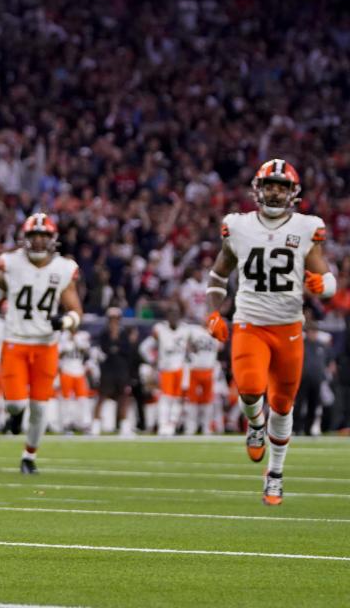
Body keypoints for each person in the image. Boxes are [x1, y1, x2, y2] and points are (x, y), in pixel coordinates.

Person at [206, 158, 336, 505]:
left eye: (281, 186)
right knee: (249, 389)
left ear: (293, 193)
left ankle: (275, 475)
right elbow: (218, 276)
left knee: (282, 404)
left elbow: (330, 281)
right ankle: (254, 425)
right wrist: (213, 312)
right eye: (269, 185)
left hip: (289, 326)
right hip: (249, 322)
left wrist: (320, 285)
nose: (275, 192)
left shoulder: (308, 227)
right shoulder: (238, 226)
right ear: (257, 189)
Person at [0, 213, 83, 474]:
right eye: (33, 236)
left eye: (43, 236)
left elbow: (77, 313)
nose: (37, 242)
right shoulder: (11, 264)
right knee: (16, 404)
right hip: (15, 341)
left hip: (46, 345)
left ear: (52, 239)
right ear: (25, 238)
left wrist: (65, 322)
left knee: (40, 407)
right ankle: (14, 414)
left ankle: (29, 456)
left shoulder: (63, 268)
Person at [138, 302, 190, 436]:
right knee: (166, 398)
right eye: (171, 313)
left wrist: (189, 357)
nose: (174, 315)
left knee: (178, 398)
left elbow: (191, 347)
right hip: (166, 368)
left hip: (180, 368)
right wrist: (152, 361)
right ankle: (163, 424)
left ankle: (172, 424)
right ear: (167, 315)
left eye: (176, 312)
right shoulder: (160, 329)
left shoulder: (186, 330)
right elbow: (144, 347)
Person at [91, 307, 137, 435]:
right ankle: (95, 426)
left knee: (124, 398)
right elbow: (105, 350)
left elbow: (127, 352)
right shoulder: (104, 334)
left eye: (116, 319)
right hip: (107, 371)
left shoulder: (124, 334)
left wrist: (116, 345)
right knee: (102, 397)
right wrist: (113, 343)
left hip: (121, 371)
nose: (114, 321)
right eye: (111, 319)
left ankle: (124, 426)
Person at [184, 322, 221, 435]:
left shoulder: (216, 333)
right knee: (192, 400)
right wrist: (190, 351)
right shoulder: (193, 329)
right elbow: (186, 342)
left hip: (209, 369)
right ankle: (191, 427)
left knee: (208, 400)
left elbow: (219, 348)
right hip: (195, 368)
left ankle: (206, 427)